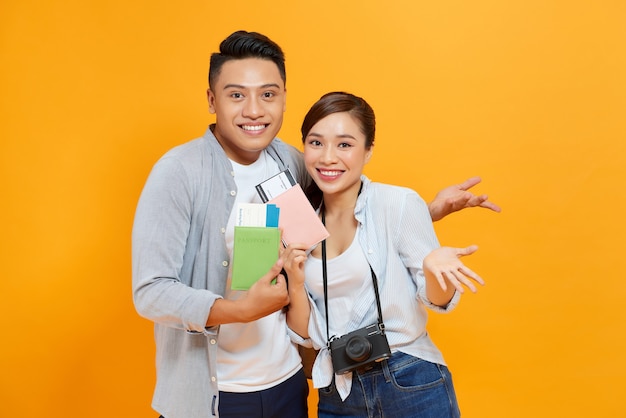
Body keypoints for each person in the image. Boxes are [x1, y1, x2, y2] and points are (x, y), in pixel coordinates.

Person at [132, 31, 500, 418]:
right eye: (236, 95)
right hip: (213, 392)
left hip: (289, 382)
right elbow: (151, 291)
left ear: (284, 98)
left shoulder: (292, 164)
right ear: (212, 100)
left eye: (268, 94)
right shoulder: (179, 173)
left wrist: (423, 213)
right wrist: (239, 310)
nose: (254, 110)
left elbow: (342, 218)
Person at [282, 91, 492, 417]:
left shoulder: (398, 203)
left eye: (345, 145)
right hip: (337, 393)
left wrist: (433, 267)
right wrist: (295, 282)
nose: (327, 157)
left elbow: (436, 299)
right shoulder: (301, 220)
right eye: (316, 142)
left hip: (407, 377)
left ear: (368, 151)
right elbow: (306, 335)